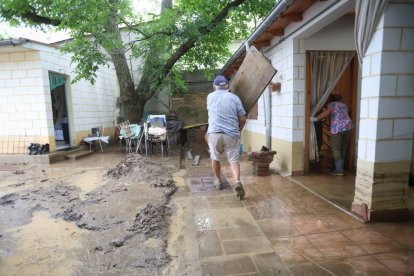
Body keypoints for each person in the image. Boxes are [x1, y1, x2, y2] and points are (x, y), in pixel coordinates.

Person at [207, 75, 247, 200]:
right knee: (234, 160)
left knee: (215, 157)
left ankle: (218, 181)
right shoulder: (235, 98)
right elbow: (242, 118)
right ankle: (237, 181)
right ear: (228, 86)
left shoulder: (210, 97)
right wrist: (238, 130)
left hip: (214, 134)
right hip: (231, 134)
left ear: (214, 86)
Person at [310, 93, 353, 176]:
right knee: (342, 149)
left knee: (336, 149)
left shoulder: (332, 104)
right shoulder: (344, 105)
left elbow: (327, 113)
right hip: (348, 127)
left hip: (337, 128)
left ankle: (339, 170)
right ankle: (340, 167)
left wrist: (315, 119)